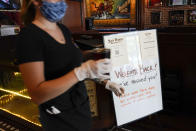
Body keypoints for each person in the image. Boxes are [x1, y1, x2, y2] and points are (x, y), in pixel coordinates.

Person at [16, 0, 124, 130]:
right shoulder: (29, 36)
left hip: (81, 109)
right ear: (36, 2)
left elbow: (75, 66)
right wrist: (81, 72)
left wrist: (104, 81)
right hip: (59, 117)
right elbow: (37, 95)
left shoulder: (63, 29)